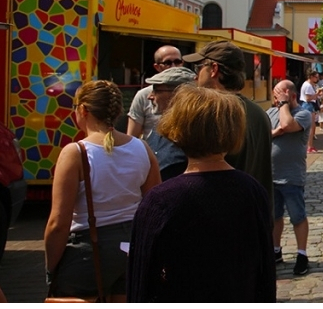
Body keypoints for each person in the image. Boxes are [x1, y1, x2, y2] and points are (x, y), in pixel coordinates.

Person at [127, 85, 275, 302]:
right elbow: (265, 272)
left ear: (177, 130)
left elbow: (141, 280)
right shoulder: (253, 191)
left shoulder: (162, 199)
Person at [45, 80, 160, 302]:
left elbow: (58, 224)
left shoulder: (75, 152)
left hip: (88, 251)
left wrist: (52, 267)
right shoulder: (141, 148)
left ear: (82, 110)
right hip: (131, 248)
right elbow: (154, 207)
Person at [184, 41, 273, 205]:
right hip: (253, 215)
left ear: (214, 69)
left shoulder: (213, 114)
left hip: (223, 215)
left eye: (199, 68)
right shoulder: (260, 113)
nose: (195, 76)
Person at [267, 80, 314, 275]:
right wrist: (276, 132)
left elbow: (287, 124)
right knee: (275, 216)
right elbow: (263, 134)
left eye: (279, 95)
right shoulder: (270, 113)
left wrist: (284, 105)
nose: (276, 99)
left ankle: (301, 254)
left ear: (291, 95)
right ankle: (276, 250)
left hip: (292, 176)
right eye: (275, 95)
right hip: (271, 175)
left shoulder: (302, 114)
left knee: (298, 216)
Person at [142, 66, 195, 180]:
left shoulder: (193, 134)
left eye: (156, 90)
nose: (150, 96)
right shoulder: (159, 126)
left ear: (178, 94)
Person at [127, 45, 182, 139]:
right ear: (157, 67)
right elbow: (132, 137)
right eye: (168, 63)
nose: (174, 67)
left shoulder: (193, 94)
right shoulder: (144, 95)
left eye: (177, 62)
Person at [300, 71, 321, 153]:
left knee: (311, 126)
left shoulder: (309, 84)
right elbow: (308, 98)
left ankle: (310, 145)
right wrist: (317, 94)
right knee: (311, 126)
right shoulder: (308, 85)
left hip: (308, 105)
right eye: (316, 77)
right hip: (308, 105)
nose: (317, 79)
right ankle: (309, 146)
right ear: (311, 76)